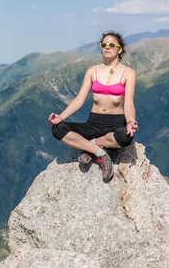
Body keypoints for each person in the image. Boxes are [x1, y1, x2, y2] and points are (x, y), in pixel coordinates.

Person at [49, 31, 138, 182]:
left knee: (126, 136)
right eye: (104, 45)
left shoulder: (128, 73)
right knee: (58, 129)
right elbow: (79, 100)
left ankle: (91, 145)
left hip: (115, 122)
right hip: (93, 123)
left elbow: (129, 102)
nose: (107, 48)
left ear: (119, 49)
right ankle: (101, 153)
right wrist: (61, 117)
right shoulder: (93, 70)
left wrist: (130, 121)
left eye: (111, 45)